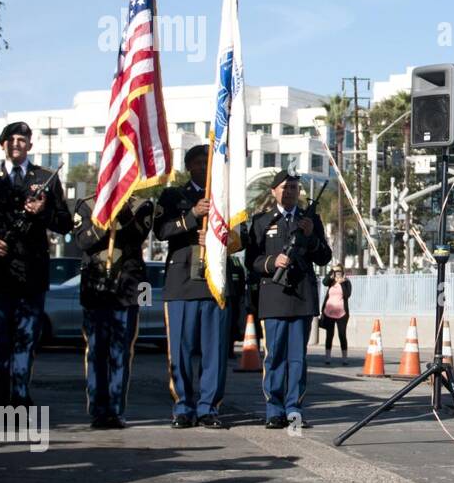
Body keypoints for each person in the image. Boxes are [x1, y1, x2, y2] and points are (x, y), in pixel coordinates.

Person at [0, 121, 72, 406]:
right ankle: (0, 398)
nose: (16, 143)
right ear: (2, 144)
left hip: (32, 272)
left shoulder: (45, 178)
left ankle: (20, 395)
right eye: (11, 139)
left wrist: (42, 211)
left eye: (22, 139)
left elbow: (64, 223)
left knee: (26, 337)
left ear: (30, 145)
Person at [246, 171, 331, 429]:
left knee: (297, 359)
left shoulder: (310, 219)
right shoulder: (262, 221)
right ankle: (274, 409)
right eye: (284, 187)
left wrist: (313, 238)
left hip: (301, 296)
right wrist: (273, 263)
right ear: (274, 191)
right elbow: (252, 261)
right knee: (275, 358)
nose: (289, 192)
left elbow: (324, 257)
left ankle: (294, 409)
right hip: (273, 297)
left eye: (294, 187)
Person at [155, 145, 231, 429]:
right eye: (198, 163)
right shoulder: (174, 195)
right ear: (189, 167)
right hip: (182, 284)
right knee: (182, 351)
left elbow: (239, 236)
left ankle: (209, 407)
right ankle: (183, 407)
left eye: (208, 163)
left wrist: (218, 240)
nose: (203, 168)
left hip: (214, 283)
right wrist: (191, 217)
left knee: (214, 352)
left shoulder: (224, 197)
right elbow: (161, 231)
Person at [72, 192, 154, 428]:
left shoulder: (142, 205)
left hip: (127, 290)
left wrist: (124, 213)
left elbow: (138, 236)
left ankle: (116, 410)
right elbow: (82, 242)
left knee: (121, 353)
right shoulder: (86, 204)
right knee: (96, 351)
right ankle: (98, 409)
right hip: (95, 289)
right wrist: (104, 219)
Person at [319, 267, 352, 365]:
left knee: (342, 335)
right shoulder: (331, 281)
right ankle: (328, 357)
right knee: (329, 335)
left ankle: (344, 358)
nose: (337, 274)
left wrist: (342, 282)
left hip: (342, 313)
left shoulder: (346, 282)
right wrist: (330, 273)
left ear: (342, 272)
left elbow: (347, 294)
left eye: (339, 272)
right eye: (336, 272)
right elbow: (324, 282)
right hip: (329, 312)